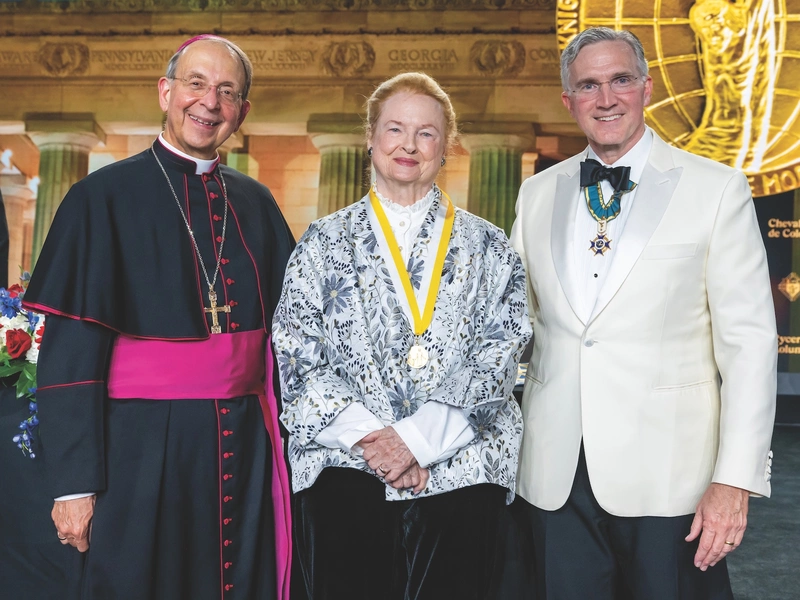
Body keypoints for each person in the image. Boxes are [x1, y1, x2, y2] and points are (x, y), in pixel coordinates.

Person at [22, 35, 294, 600]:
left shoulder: (257, 203)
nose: (209, 103)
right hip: (136, 450)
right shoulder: (100, 197)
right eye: (196, 84)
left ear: (241, 113)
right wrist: (74, 485)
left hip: (243, 443)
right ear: (166, 92)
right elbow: (71, 357)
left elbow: (291, 337)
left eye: (227, 92)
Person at [510, 27, 777, 600]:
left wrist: (735, 480)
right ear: (569, 101)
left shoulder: (717, 189)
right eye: (588, 85)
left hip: (670, 481)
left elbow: (750, 346)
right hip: (554, 478)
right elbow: (518, 329)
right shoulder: (536, 194)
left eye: (620, 80)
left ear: (647, 88)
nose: (605, 98)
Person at [273, 72, 531, 600]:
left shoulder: (490, 245)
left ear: (447, 146)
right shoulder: (322, 242)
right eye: (394, 129)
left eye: (427, 133)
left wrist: (416, 443)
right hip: (347, 463)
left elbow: (500, 352)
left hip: (461, 464)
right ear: (371, 137)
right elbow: (297, 356)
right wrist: (377, 445)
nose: (409, 145)